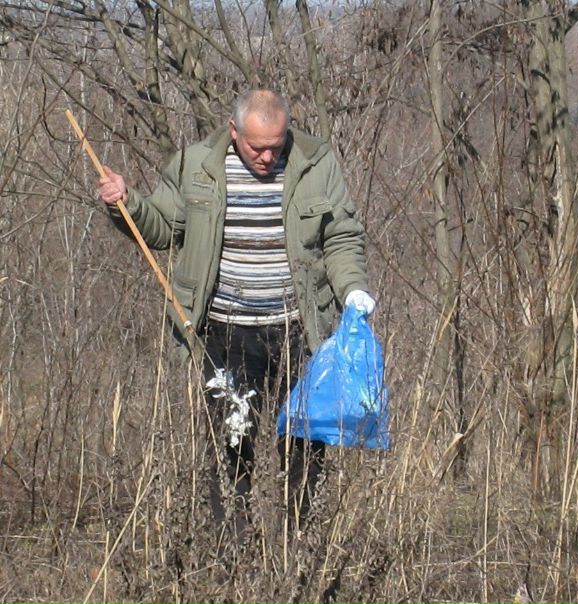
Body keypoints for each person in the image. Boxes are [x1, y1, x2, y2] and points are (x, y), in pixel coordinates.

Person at [97, 89, 376, 550]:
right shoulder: (196, 164)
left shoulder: (314, 161)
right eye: (256, 147)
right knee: (231, 450)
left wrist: (354, 290)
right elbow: (163, 228)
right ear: (233, 132)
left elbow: (341, 236)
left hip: (300, 333)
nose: (268, 156)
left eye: (276, 145)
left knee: (306, 449)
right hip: (224, 334)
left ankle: (297, 554)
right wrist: (125, 201)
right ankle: (235, 557)